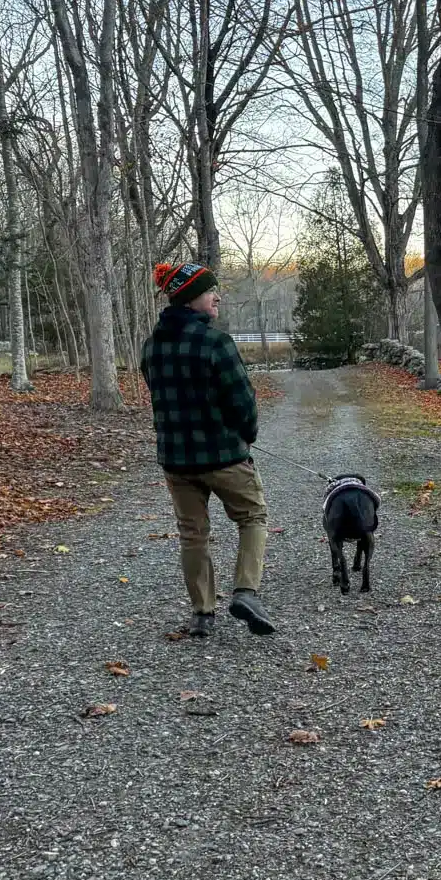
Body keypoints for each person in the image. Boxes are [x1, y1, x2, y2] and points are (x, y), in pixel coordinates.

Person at [140, 261, 276, 638]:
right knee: (253, 517)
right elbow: (243, 402)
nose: (217, 296)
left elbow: (161, 398)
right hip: (224, 457)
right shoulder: (216, 343)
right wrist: (247, 436)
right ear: (190, 297)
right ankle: (246, 591)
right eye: (210, 291)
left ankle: (202, 613)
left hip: (176, 461)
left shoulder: (151, 347)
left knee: (192, 534)